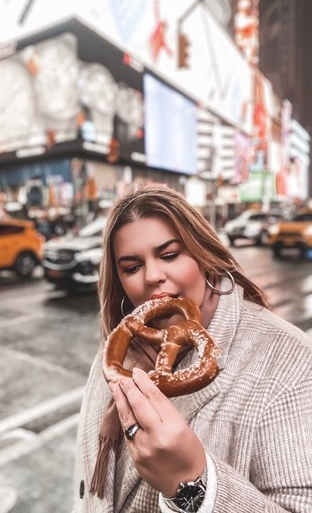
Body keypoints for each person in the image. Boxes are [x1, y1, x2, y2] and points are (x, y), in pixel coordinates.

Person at [73, 185, 312, 512]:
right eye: (131, 267)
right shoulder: (114, 353)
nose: (153, 276)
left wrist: (194, 483)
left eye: (169, 255)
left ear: (203, 254)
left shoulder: (291, 360)